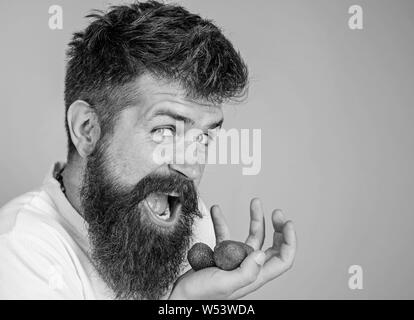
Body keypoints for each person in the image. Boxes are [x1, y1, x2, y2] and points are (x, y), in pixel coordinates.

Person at [0, 1, 296, 300]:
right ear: (88, 128)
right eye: (166, 131)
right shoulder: (18, 250)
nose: (192, 168)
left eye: (203, 138)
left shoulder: (191, 229)